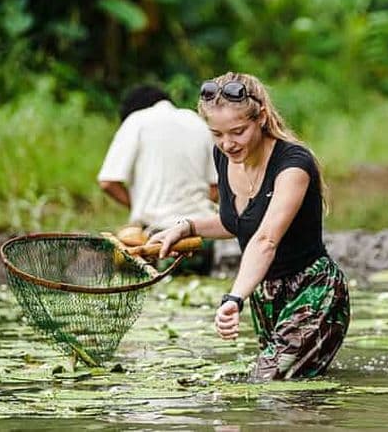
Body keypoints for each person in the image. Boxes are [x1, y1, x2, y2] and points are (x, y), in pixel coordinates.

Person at [146, 72, 350, 379]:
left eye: (238, 131)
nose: (227, 144)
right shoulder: (224, 157)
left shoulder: (293, 164)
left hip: (312, 291)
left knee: (268, 382)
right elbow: (237, 222)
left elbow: (265, 238)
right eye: (217, 134)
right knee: (284, 399)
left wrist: (233, 297)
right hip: (264, 294)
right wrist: (186, 227)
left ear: (261, 118)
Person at [97, 84, 219, 272]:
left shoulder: (137, 120)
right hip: (200, 239)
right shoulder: (198, 122)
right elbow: (216, 186)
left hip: (157, 240)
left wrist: (141, 207)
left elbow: (107, 182)